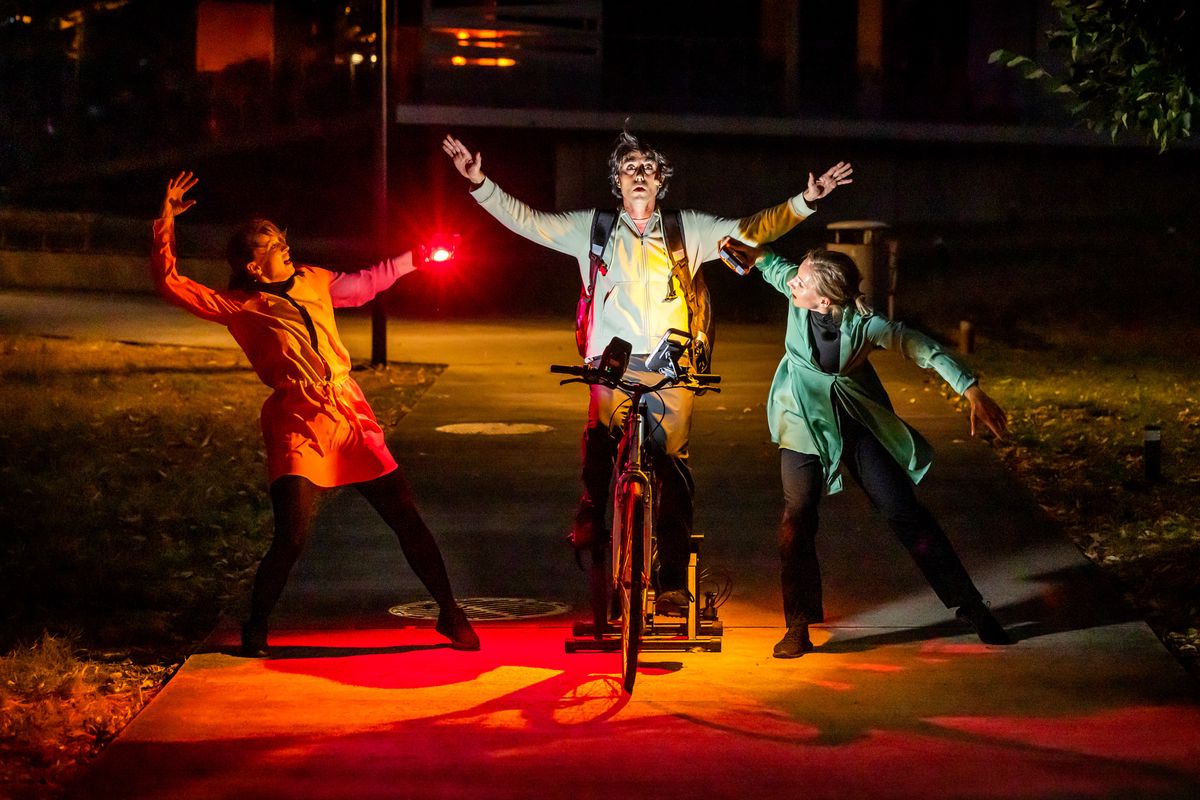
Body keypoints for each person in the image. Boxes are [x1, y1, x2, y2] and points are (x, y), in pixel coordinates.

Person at [442, 130, 852, 615]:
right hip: (609, 365)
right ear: (617, 180)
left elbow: (752, 228)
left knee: (673, 470)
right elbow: (528, 222)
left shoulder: (688, 230)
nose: (639, 174)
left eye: (648, 168)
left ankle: (673, 582)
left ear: (660, 181)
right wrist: (480, 182)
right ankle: (595, 521)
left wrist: (806, 200)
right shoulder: (592, 228)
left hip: (670, 367)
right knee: (598, 445)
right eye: (629, 167)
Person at [151, 171, 479, 657]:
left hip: (347, 413)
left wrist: (420, 256)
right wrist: (165, 221)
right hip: (298, 421)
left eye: (282, 239)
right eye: (271, 245)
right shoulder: (239, 305)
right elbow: (170, 282)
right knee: (292, 535)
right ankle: (255, 627)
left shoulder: (313, 279)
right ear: (253, 266)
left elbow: (367, 283)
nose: (284, 247)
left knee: (405, 516)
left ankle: (450, 614)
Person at [720, 240, 1013, 657]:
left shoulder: (865, 324)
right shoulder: (795, 288)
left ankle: (969, 604)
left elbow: (917, 346)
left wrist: (970, 389)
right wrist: (749, 251)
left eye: (801, 283)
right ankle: (798, 623)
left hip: (853, 416)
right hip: (801, 417)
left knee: (902, 510)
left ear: (823, 300)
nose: (793, 285)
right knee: (797, 515)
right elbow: (768, 260)